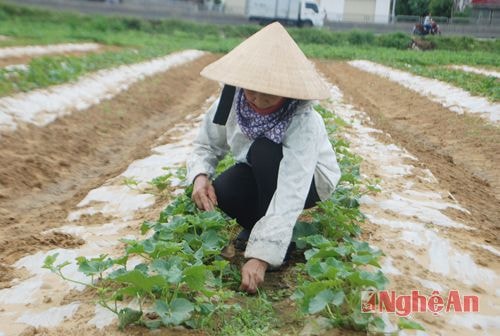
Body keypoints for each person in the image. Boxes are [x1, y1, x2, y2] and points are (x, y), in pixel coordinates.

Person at [186, 22, 341, 294]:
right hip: (257, 167)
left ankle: (276, 243)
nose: (257, 98)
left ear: (288, 89)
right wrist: (200, 177)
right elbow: (206, 145)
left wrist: (261, 256)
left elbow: (293, 187)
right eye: (251, 90)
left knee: (264, 150)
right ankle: (259, 226)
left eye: (269, 92)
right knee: (225, 187)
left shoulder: (303, 118)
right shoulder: (230, 102)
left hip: (311, 181)